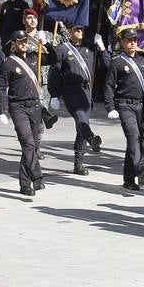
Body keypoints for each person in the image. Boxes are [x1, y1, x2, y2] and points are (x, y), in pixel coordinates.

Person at [48, 24, 109, 175]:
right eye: (76, 29)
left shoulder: (90, 46)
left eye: (81, 29)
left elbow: (107, 64)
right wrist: (54, 94)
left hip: (86, 90)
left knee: (82, 124)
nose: (80, 31)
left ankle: (78, 163)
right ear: (69, 31)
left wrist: (101, 48)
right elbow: (54, 72)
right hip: (70, 90)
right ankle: (91, 137)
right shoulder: (62, 49)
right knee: (81, 117)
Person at [0, 30, 45, 196]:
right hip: (18, 107)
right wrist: (1, 110)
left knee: (33, 146)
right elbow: (1, 87)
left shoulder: (34, 57)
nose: (24, 43)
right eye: (20, 41)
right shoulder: (8, 63)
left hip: (35, 106)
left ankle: (25, 184)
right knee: (28, 143)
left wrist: (46, 44)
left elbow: (53, 58)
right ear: (13, 43)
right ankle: (37, 177)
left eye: (25, 40)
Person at [104, 28, 144, 190]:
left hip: (141, 105)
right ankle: (142, 170)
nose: (132, 43)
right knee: (133, 138)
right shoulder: (117, 62)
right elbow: (109, 86)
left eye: (134, 40)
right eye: (129, 40)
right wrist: (110, 107)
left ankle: (129, 179)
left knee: (137, 141)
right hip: (125, 105)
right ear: (122, 42)